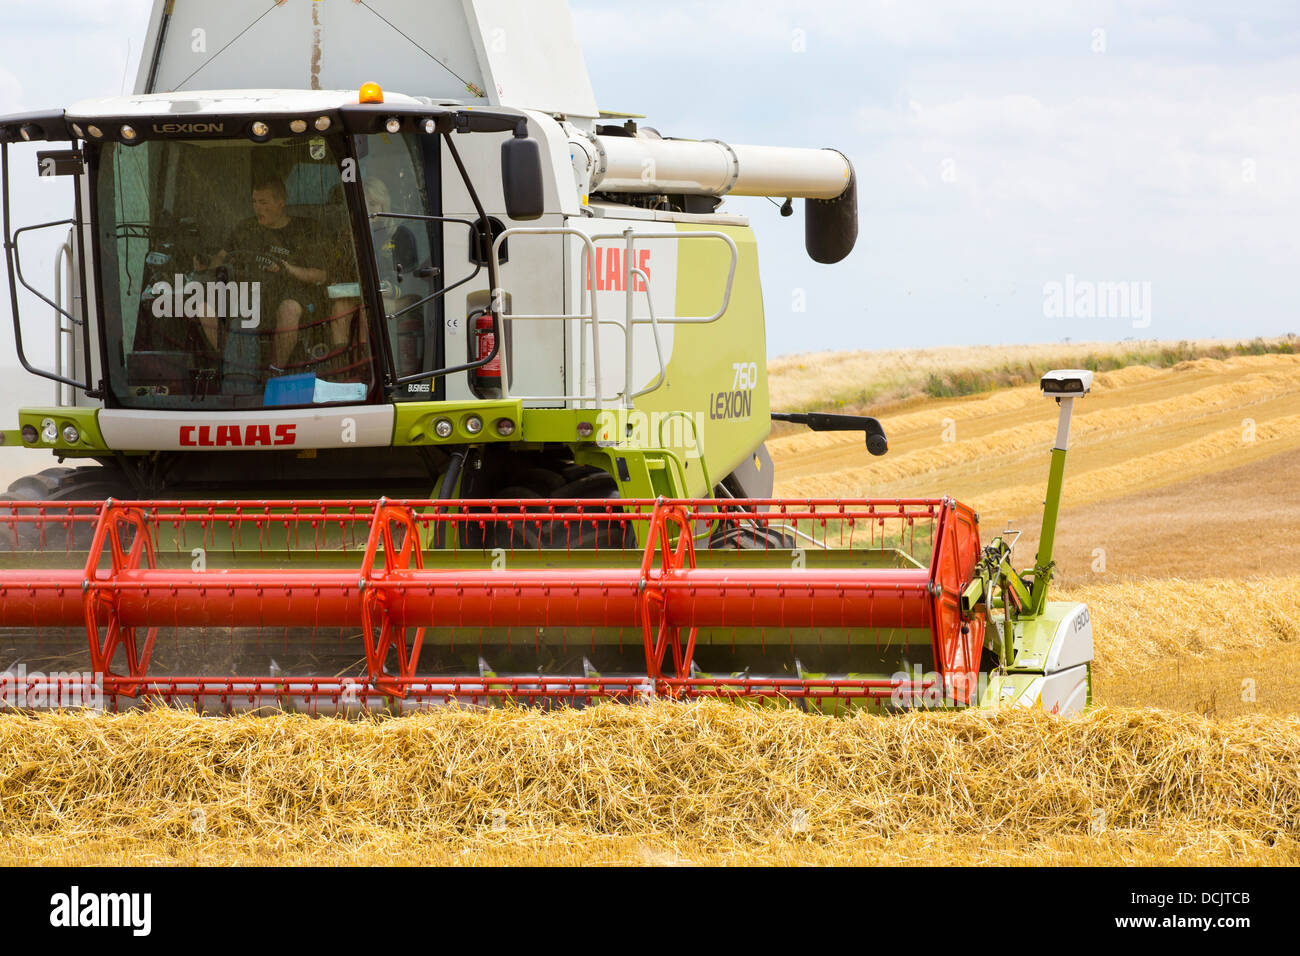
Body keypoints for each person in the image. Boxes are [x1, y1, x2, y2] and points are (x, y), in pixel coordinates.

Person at [194, 177, 328, 372]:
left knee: (289, 309)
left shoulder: (306, 230)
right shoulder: (245, 228)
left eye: (263, 203)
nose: (257, 208)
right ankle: (234, 366)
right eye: (254, 202)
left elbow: (321, 275)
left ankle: (274, 373)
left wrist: (288, 269)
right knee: (203, 307)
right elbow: (221, 257)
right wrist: (206, 266)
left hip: (287, 293)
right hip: (247, 293)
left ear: (280, 203)